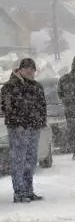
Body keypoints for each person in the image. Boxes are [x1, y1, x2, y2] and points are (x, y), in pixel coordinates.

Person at [0, 58, 47, 203]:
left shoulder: (37, 86)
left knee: (31, 161)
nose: (29, 71)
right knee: (18, 160)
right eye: (26, 68)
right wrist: (17, 122)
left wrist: (41, 122)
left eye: (32, 68)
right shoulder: (10, 86)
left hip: (34, 128)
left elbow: (42, 106)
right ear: (19, 69)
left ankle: (28, 190)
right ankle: (19, 192)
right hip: (18, 129)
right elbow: (5, 108)